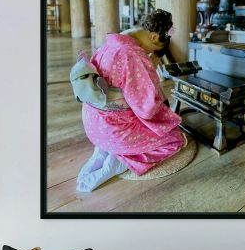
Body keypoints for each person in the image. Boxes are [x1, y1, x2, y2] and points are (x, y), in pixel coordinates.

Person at [76, 10, 185, 193]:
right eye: (154, 50)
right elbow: (146, 109)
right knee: (175, 139)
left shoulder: (108, 45)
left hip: (94, 125)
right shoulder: (133, 55)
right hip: (115, 131)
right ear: (154, 36)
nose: (151, 54)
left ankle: (103, 151)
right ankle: (119, 160)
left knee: (127, 117)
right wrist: (167, 113)